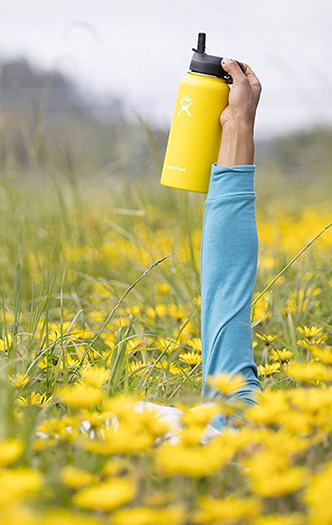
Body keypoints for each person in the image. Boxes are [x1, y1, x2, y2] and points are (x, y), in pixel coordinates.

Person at [134, 57, 263, 440]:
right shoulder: (234, 433)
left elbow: (227, 295)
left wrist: (238, 126)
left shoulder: (233, 437)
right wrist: (236, 126)